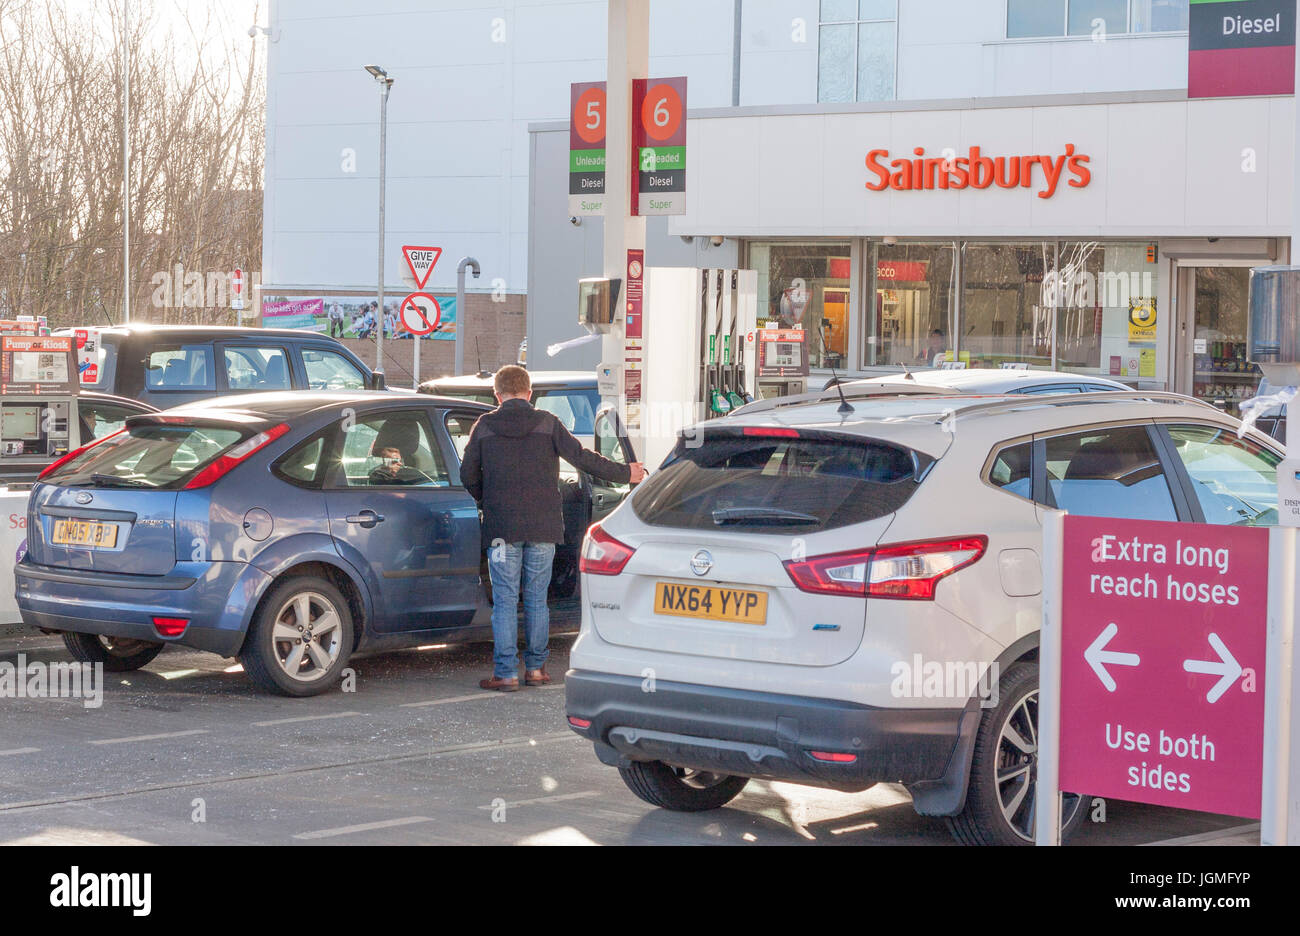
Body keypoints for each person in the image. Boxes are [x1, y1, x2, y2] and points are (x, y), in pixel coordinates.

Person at [461, 365, 646, 691]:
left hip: (502, 528)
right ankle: (536, 669)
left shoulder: (485, 426)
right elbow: (583, 458)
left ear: (497, 394)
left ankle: (505, 674)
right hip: (544, 526)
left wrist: (486, 500)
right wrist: (626, 473)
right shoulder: (548, 423)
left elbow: (467, 475)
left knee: (504, 600)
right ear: (529, 393)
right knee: (536, 598)